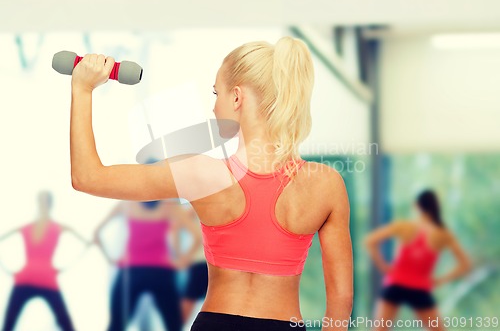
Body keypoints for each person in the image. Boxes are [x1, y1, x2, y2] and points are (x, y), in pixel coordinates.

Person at [69, 36, 353, 330]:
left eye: (216, 93)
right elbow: (341, 299)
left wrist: (83, 88)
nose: (215, 108)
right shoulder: (325, 185)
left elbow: (87, 177)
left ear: (237, 98)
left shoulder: (201, 174)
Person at [364, 189, 472, 331]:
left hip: (396, 283)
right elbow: (465, 264)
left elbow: (370, 241)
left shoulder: (404, 226)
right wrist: (440, 280)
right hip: (420, 288)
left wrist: (383, 266)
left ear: (417, 205)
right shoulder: (443, 234)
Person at [93, 198, 198, 331]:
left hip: (131, 272)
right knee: (174, 326)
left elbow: (96, 233)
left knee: (116, 326)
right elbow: (197, 236)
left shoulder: (127, 205)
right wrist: (183, 260)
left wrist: (109, 258)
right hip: (161, 273)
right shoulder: (170, 207)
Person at [0, 190, 88, 331]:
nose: (43, 204)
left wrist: (65, 267)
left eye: (44, 201)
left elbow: (87, 243)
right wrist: (6, 269)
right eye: (41, 201)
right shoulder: (27, 227)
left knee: (66, 324)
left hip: (47, 281)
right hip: (25, 279)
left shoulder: (58, 227)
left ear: (50, 204)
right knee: (8, 325)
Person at [171, 205, 207, 323]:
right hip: (202, 262)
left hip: (217, 263)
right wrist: (181, 255)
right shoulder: (200, 203)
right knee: (189, 301)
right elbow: (176, 226)